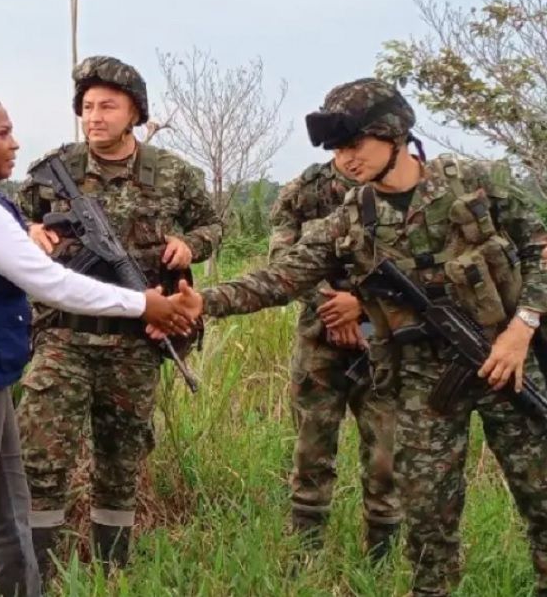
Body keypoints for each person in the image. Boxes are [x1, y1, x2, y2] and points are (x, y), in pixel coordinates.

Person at [176, 78, 547, 597]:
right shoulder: (350, 217)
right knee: (427, 522)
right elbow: (283, 275)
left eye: (355, 145)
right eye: (338, 150)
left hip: (505, 362)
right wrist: (206, 302)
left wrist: (521, 328)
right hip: (424, 383)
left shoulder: (474, 184)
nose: (346, 159)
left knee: (542, 502)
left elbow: (539, 248)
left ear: (393, 135)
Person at [0, 91, 193, 597]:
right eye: (1, 133)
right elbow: (50, 284)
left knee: (11, 503)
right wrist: (143, 305)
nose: (14, 144)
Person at [15, 56, 222, 574]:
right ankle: (37, 574)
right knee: (41, 458)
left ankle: (112, 572)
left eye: (108, 105)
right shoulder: (55, 169)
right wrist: (30, 231)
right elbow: (10, 214)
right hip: (63, 336)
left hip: (134, 340)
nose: (95, 116)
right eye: (87, 107)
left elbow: (215, 223)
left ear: (134, 112)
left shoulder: (171, 173)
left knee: (120, 460)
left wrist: (189, 244)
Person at [269, 155, 400, 558]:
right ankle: (306, 556)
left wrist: (359, 306)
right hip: (318, 342)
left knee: (385, 455)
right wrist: (333, 309)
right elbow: (282, 260)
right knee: (311, 450)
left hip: (385, 337)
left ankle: (382, 561)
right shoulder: (302, 190)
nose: (350, 150)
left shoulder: (398, 186)